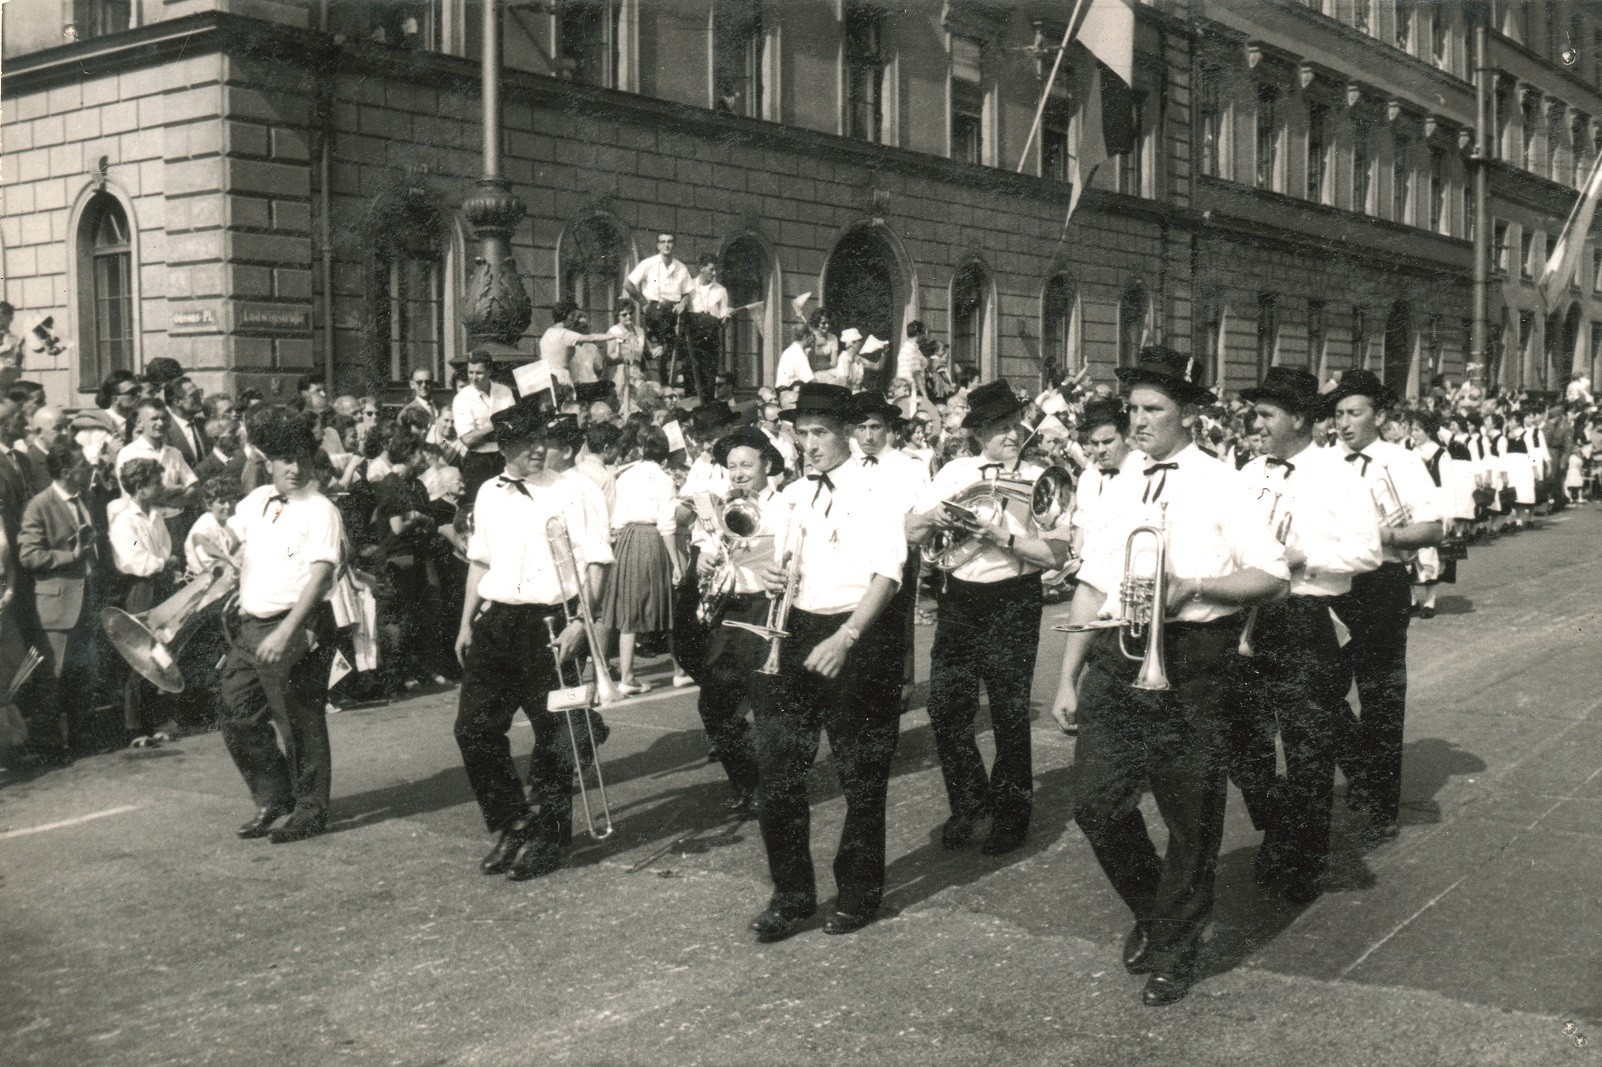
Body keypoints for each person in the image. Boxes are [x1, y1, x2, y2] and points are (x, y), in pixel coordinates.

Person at [1047, 347, 1290, 1006]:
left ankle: (1176, 947)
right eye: (1133, 409)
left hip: (1194, 659)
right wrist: (1067, 678)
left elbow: (1271, 574)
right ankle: (1156, 912)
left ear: (1188, 412)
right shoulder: (1121, 480)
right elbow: (1094, 582)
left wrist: (1195, 586)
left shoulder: (1223, 480)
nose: (1139, 421)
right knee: (1095, 804)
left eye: (1152, 409)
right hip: (1116, 655)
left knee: (1191, 817)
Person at [745, 382, 908, 943]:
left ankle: (859, 892)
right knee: (778, 772)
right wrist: (766, 574)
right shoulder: (789, 494)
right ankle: (791, 895)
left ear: (846, 436)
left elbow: (888, 574)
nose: (807, 445)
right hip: (796, 631)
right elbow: (771, 561)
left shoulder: (876, 488)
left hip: (858, 631)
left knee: (861, 774)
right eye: (800, 433)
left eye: (818, 434)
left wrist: (848, 636)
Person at [1230, 367, 1381, 905]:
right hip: (1248, 615)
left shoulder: (1338, 474)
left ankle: (1301, 860)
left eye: (1267, 414)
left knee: (1307, 748)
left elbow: (1367, 553)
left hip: (1306, 616)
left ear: (1298, 418)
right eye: (1257, 414)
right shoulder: (1252, 472)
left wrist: (1303, 559)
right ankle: (1280, 825)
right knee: (1241, 741)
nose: (1257, 424)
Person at [453, 401, 615, 882]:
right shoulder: (488, 492)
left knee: (554, 738)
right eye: (525, 445)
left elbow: (597, 561)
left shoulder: (575, 490)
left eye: (541, 440)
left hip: (553, 623)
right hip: (497, 620)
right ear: (504, 448)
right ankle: (514, 822)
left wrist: (581, 624)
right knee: (474, 729)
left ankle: (551, 839)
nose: (538, 450)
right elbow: (479, 562)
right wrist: (465, 623)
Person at [913, 380, 1072, 854]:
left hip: (1013, 598)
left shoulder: (1043, 475)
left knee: (1008, 711)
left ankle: (1011, 814)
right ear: (978, 433)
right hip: (960, 596)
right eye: (999, 428)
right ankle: (968, 804)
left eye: (1014, 425)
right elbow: (913, 528)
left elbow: (1057, 554)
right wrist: (939, 520)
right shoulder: (956, 471)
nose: (1010, 434)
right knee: (946, 709)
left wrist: (1001, 538)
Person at [1325, 370, 1444, 842]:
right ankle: (1361, 767)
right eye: (1337, 414)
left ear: (1378, 415)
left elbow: (1432, 530)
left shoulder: (1401, 461)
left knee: (1380, 697)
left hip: (1379, 584)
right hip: (1330, 584)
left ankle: (1381, 804)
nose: (1345, 423)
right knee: (1318, 689)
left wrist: (1384, 535)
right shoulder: (1323, 462)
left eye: (1355, 413)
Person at [220, 406, 345, 844]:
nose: (295, 469)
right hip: (251, 626)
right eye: (285, 460)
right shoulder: (256, 501)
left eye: (302, 460)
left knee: (299, 720)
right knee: (236, 713)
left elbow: (320, 576)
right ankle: (275, 797)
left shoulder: (321, 509)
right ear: (268, 463)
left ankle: (310, 810)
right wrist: (209, 545)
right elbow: (227, 538)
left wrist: (287, 630)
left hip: (298, 624)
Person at [691, 426, 787, 815]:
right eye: (732, 466)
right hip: (728, 609)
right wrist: (702, 558)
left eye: (747, 464)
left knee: (767, 706)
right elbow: (704, 544)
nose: (738, 472)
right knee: (715, 705)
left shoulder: (785, 505)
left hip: (765, 608)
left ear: (767, 464)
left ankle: (772, 788)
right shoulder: (720, 506)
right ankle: (746, 781)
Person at [17, 440, 103, 763]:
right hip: (56, 605)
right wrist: (71, 555)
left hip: (85, 600)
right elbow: (28, 555)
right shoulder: (39, 505)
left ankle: (81, 740)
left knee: (83, 674)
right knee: (52, 680)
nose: (87, 469)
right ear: (66, 472)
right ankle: (49, 746)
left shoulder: (85, 499)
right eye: (82, 465)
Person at [851, 392, 931, 712]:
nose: (869, 435)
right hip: (858, 556)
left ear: (888, 429)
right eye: (861, 427)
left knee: (897, 623)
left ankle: (900, 687)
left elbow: (922, 512)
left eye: (875, 427)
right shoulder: (847, 466)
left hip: (899, 554)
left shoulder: (909, 466)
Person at [602, 425, 685, 692]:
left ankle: (627, 676)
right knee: (668, 605)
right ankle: (680, 670)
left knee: (629, 608)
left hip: (625, 540)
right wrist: (675, 563)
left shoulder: (623, 475)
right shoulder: (664, 479)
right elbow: (667, 525)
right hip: (650, 540)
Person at [108, 457, 182, 748]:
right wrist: (163, 562)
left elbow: (164, 548)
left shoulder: (156, 516)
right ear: (139, 488)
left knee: (163, 652)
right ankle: (134, 726)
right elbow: (137, 557)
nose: (161, 488)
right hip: (141, 590)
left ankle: (158, 720)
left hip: (162, 585)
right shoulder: (125, 521)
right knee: (140, 655)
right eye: (155, 483)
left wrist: (162, 561)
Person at [624, 232, 696, 373]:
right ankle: (665, 346)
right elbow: (628, 284)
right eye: (662, 242)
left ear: (674, 245)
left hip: (675, 310)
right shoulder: (648, 264)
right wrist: (644, 303)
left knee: (691, 331)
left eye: (669, 241)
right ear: (658, 246)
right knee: (661, 317)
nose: (666, 245)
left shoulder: (681, 267)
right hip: (654, 308)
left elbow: (687, 292)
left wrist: (683, 303)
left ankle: (668, 351)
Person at [452, 349, 517, 501]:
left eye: (479, 373)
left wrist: (481, 432)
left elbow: (514, 425)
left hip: (504, 458)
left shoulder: (504, 391)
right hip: (478, 463)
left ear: (490, 371)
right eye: (470, 372)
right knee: (480, 506)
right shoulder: (462, 399)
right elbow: (468, 440)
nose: (473, 377)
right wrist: (497, 424)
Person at [686, 254, 730, 401]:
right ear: (702, 268)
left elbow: (723, 315)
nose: (714, 273)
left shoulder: (721, 291)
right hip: (692, 336)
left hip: (710, 339)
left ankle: (707, 409)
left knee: (708, 377)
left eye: (716, 270)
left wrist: (726, 318)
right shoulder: (689, 287)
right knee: (691, 374)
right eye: (711, 269)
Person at [164, 377, 208, 467]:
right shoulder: (165, 431)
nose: (200, 398)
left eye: (199, 393)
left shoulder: (204, 425)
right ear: (177, 402)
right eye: (194, 395)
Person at [775, 324, 815, 389]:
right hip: (789, 392)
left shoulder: (791, 350)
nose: (814, 339)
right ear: (805, 337)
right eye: (813, 336)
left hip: (785, 390)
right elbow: (809, 380)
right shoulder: (799, 354)